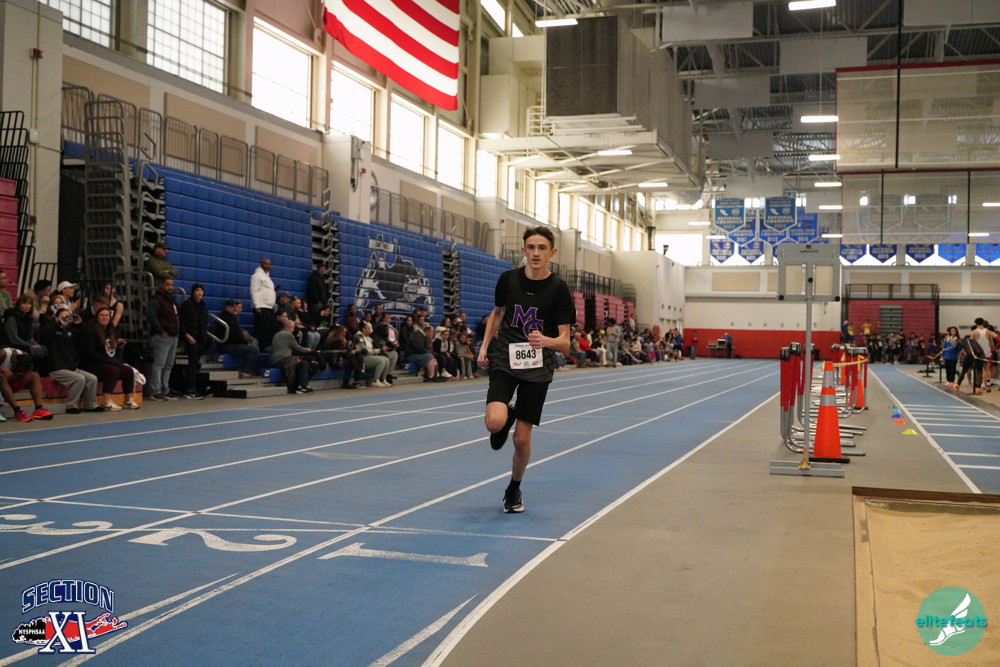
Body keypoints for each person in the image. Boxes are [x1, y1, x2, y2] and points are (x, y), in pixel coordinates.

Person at [477, 226, 574, 514]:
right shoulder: (508, 280)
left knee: (521, 440)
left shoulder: (558, 289)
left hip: (538, 367)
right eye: (531, 247)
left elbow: (565, 342)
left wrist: (546, 341)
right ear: (523, 250)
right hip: (506, 359)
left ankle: (514, 488)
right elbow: (497, 313)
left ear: (552, 252)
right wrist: (484, 347)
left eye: (542, 248)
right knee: (494, 423)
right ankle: (508, 415)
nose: (536, 253)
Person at [39, 306, 101, 413]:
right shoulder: (52, 331)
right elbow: (43, 333)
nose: (66, 319)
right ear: (57, 318)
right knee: (79, 379)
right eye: (63, 316)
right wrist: (58, 324)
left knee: (92, 379)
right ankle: (70, 406)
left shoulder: (72, 331)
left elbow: (88, 336)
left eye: (68, 316)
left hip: (71, 367)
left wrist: (80, 324)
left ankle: (90, 405)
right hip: (56, 368)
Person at [78, 308, 140, 410]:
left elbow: (109, 350)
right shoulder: (90, 331)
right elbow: (89, 352)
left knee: (128, 370)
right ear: (97, 317)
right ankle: (106, 401)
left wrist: (117, 346)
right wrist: (108, 360)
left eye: (107, 315)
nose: (104, 317)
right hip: (91, 363)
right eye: (102, 315)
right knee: (112, 370)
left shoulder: (111, 331)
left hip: (106, 361)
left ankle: (128, 400)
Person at [146, 276, 182, 401]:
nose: (170, 287)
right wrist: (161, 331)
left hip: (173, 335)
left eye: (172, 285)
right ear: (161, 285)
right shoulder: (156, 300)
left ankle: (165, 389)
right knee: (159, 364)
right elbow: (151, 316)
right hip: (162, 336)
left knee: (169, 365)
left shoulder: (172, 300)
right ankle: (155, 391)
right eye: (167, 284)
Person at [0, 347, 54, 422]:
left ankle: (39, 408)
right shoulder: (3, 354)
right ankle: (17, 410)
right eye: (19, 370)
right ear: (15, 362)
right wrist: (1, 369)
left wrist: (20, 374)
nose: (19, 373)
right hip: (2, 385)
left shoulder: (25, 356)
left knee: (34, 375)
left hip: (11, 384)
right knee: (1, 376)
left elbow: (29, 369)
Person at [216, 298, 260, 378]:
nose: (235, 309)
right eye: (233, 307)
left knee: (250, 348)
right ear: (227, 307)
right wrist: (245, 341)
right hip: (227, 345)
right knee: (253, 350)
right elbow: (235, 335)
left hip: (229, 343)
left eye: (236, 307)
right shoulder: (228, 318)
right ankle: (244, 370)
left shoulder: (230, 317)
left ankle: (246, 369)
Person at [179, 283, 209, 399]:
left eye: (201, 290)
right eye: (197, 290)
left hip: (200, 338)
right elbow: (182, 321)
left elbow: (204, 322)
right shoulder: (187, 305)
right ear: (193, 292)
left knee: (196, 364)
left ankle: (195, 387)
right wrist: (186, 335)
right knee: (192, 364)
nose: (200, 293)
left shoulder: (203, 305)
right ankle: (190, 389)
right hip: (190, 337)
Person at [269, 319, 312, 394]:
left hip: (275, 360)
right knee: (304, 363)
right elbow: (297, 348)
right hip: (282, 360)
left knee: (299, 363)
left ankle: (299, 385)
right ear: (290, 327)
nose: (294, 329)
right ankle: (301, 386)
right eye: (293, 327)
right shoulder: (288, 335)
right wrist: (309, 350)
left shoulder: (277, 334)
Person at [3, 294, 47, 360]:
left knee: (44, 349)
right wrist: (30, 345)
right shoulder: (12, 318)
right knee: (39, 351)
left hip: (25, 343)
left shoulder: (28, 319)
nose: (27, 306)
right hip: (13, 344)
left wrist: (35, 344)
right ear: (19, 305)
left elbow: (30, 337)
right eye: (24, 303)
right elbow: (14, 338)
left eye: (29, 303)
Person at [353, 321, 390, 387]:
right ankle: (376, 380)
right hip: (362, 358)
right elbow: (364, 351)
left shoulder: (368, 337)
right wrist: (379, 350)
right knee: (381, 361)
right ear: (363, 329)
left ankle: (383, 379)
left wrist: (381, 349)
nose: (371, 330)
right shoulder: (358, 337)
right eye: (369, 328)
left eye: (371, 328)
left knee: (386, 360)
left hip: (370, 356)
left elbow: (372, 349)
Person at [250, 258, 276, 342]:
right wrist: (257, 305)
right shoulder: (257, 275)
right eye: (266, 264)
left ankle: (263, 345)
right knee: (260, 328)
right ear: (261, 264)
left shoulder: (267, 276)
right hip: (261, 306)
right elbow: (254, 291)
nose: (268, 266)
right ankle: (256, 344)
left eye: (269, 264)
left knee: (267, 329)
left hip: (268, 306)